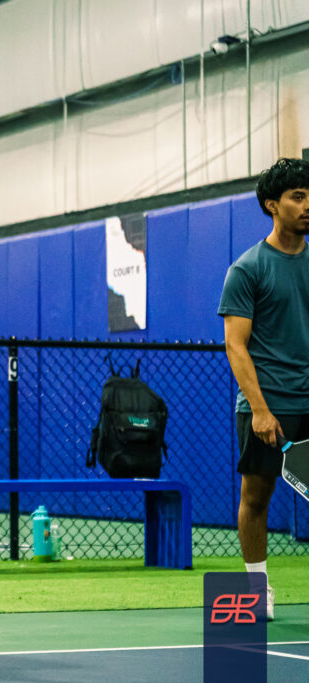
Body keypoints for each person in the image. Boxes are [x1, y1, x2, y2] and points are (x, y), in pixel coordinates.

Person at [217, 157, 309, 622]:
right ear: (272, 205)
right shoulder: (247, 268)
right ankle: (257, 589)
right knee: (256, 498)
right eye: (298, 197)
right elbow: (236, 345)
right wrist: (259, 409)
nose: (308, 205)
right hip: (269, 403)